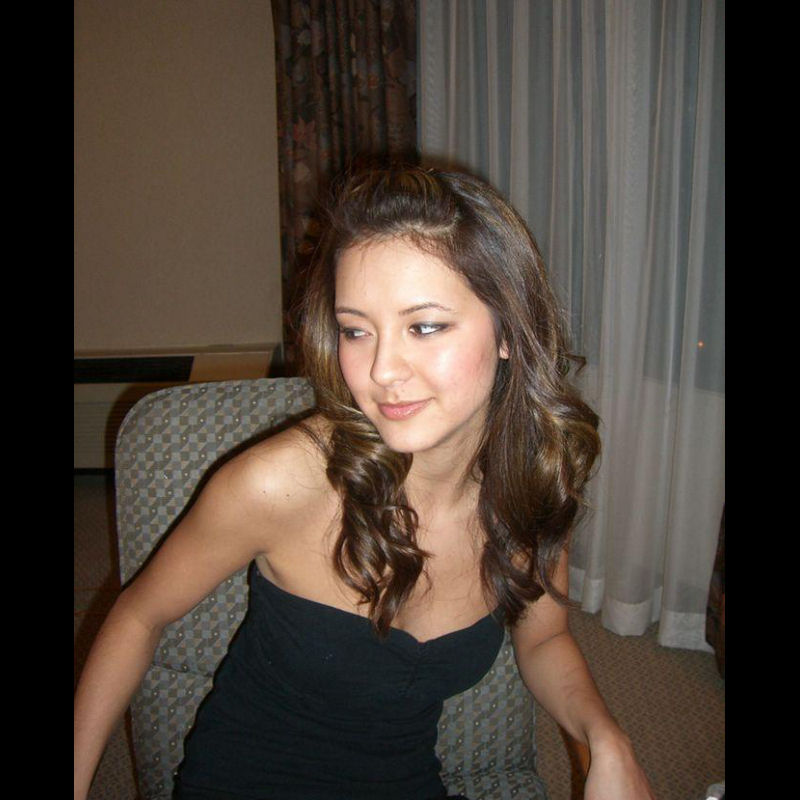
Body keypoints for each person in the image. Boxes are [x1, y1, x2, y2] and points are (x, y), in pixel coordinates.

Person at [74, 165, 655, 800]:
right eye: (356, 330)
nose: (381, 370)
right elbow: (139, 616)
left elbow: (544, 637)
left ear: (509, 332)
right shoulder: (280, 484)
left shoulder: (530, 488)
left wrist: (608, 737)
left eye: (424, 326)